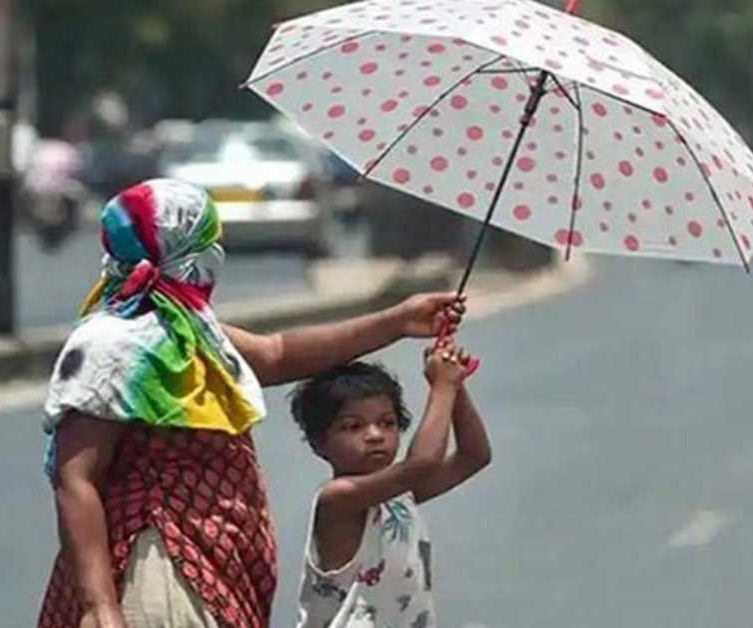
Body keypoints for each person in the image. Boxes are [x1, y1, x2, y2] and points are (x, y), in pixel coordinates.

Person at [36, 178, 466, 628]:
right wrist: (100, 605)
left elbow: (277, 354)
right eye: (207, 241)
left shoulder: (191, 330)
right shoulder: (113, 343)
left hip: (212, 567)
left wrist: (398, 321)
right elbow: (75, 478)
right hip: (156, 564)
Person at [290, 342, 491, 628]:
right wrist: (443, 386)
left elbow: (474, 455)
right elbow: (422, 463)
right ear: (318, 443)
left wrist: (455, 385)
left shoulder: (398, 496)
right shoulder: (337, 499)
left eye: (387, 423)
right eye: (353, 426)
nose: (375, 435)